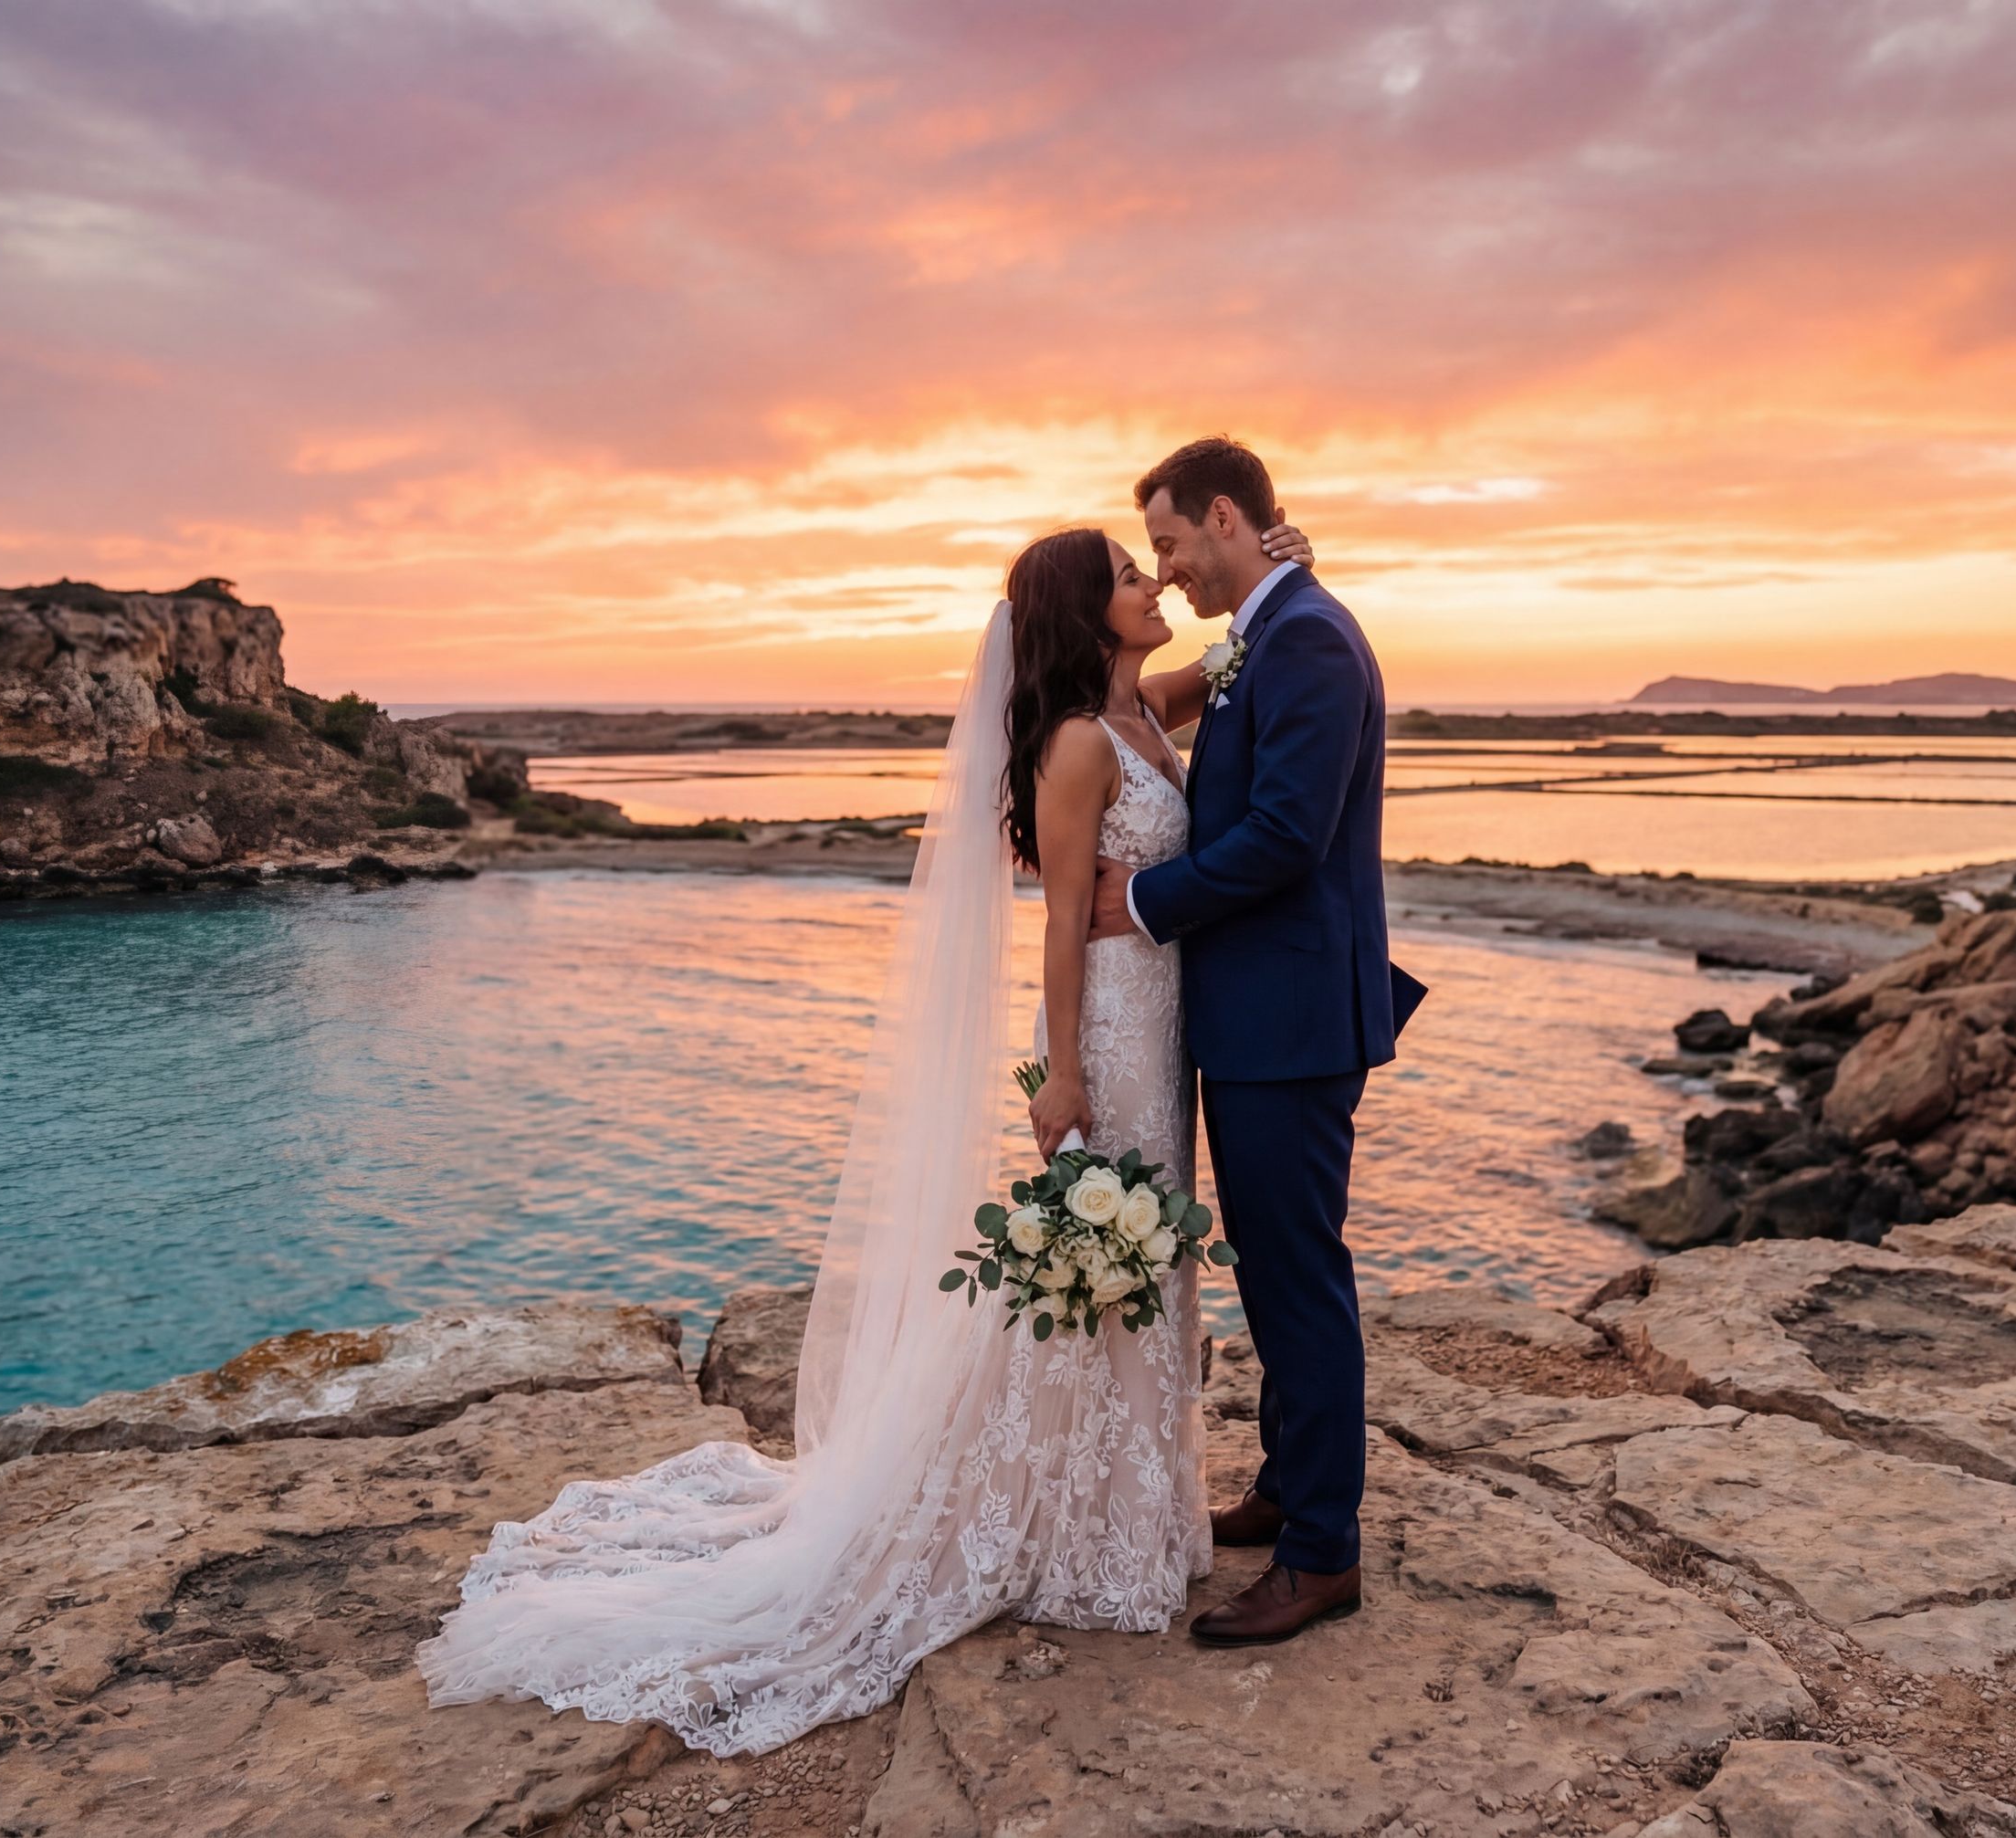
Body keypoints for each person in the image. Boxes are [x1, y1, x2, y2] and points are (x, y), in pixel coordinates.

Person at [414, 509, 1315, 1755]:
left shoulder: (1137, 712)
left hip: (1163, 1028)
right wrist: (1061, 1078)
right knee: (1096, 1268)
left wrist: (1273, 583)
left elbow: (1197, 671)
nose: (1155, 582)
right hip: (1109, 1029)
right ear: (1079, 611)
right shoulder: (1071, 746)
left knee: (1140, 1266)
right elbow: (1060, 922)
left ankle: (1126, 1510)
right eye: (1126, 575)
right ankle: (1065, 1523)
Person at [1091, 436, 1423, 1647]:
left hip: (1290, 1018)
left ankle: (1323, 1550)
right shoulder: (1267, 634)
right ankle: (1290, 1487)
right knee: (1276, 1263)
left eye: (1173, 543)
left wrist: (1135, 901)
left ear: (1226, 516)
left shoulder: (1312, 641)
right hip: (1256, 1016)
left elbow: (1287, 834)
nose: (1168, 574)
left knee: (1298, 1275)